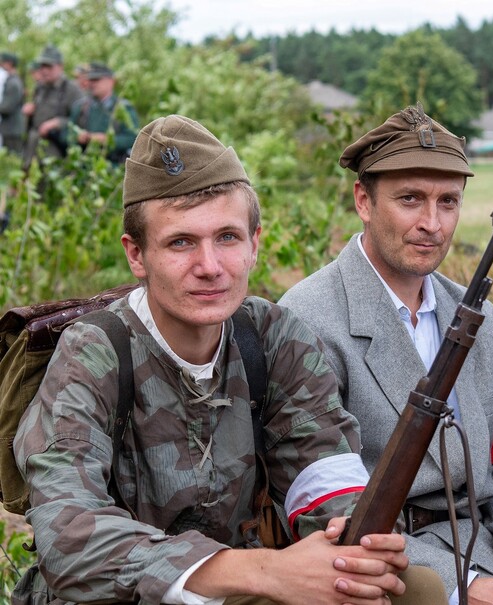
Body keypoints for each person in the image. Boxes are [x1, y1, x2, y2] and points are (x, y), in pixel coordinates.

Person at [13, 114, 427, 604]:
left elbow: (322, 467)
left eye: (227, 237)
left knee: (413, 591)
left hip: (234, 584)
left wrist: (351, 541)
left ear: (254, 243)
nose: (209, 267)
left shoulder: (272, 337)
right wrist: (262, 571)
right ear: (137, 255)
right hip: (119, 594)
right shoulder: (95, 352)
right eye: (181, 242)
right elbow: (70, 539)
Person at [279, 105, 493, 605]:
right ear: (363, 200)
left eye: (449, 202)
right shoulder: (308, 319)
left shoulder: (476, 319)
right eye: (410, 199)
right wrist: (467, 586)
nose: (432, 224)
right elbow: (331, 510)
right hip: (394, 572)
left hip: (485, 548)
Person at [21, 45, 84, 169]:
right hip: (33, 144)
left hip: (56, 148)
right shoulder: (40, 87)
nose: (44, 70)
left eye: (49, 66)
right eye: (42, 66)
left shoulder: (72, 90)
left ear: (60, 66)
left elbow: (81, 122)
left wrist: (58, 122)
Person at [68, 62, 138, 163]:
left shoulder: (124, 107)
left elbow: (133, 139)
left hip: (114, 164)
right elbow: (67, 133)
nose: (92, 84)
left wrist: (107, 140)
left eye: (97, 79)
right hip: (85, 163)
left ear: (111, 81)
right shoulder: (80, 107)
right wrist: (78, 137)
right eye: (90, 80)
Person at [0, 52, 25, 156]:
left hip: (12, 129)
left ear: (9, 63)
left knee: (13, 159)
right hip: (9, 129)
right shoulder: (11, 80)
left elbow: (7, 108)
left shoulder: (13, 83)